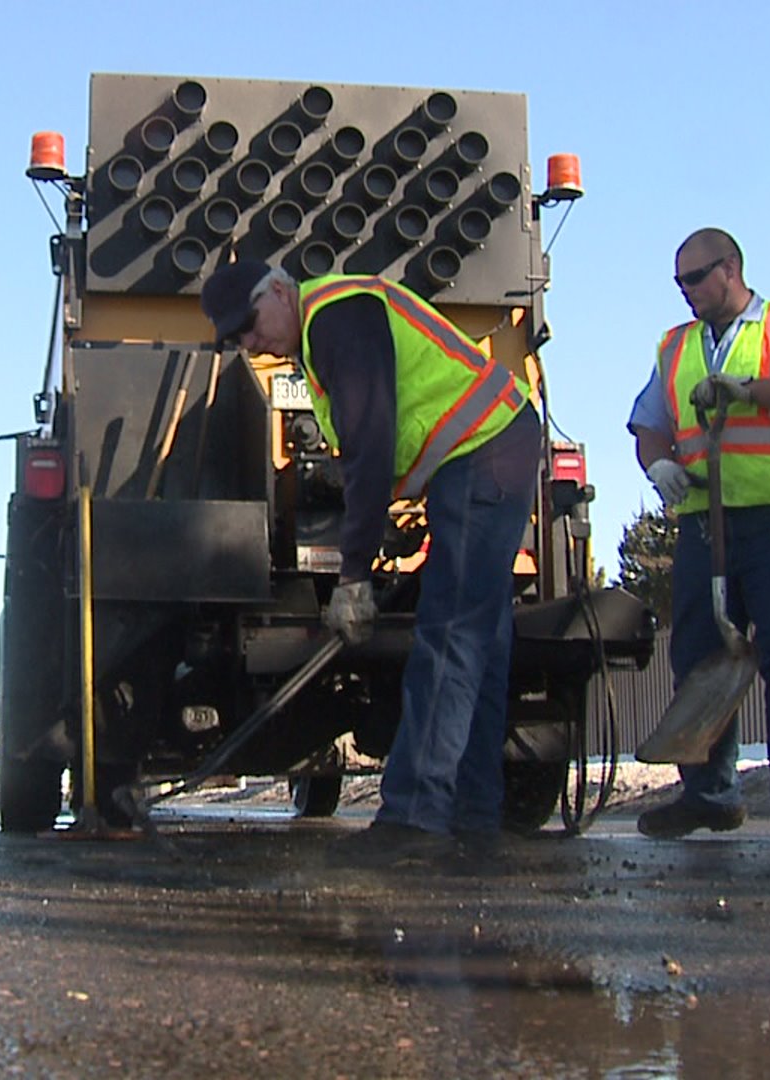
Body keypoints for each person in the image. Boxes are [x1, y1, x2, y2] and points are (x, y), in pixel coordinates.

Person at [200, 261, 542, 868]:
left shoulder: (336, 317)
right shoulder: (321, 333)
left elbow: (371, 443)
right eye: (237, 339)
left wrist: (353, 574)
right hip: (492, 448)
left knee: (450, 637)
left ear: (279, 291)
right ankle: (473, 813)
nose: (250, 343)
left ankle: (416, 815)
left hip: (482, 450)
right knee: (480, 643)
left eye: (249, 324)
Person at [627, 228, 770, 847]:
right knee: (699, 657)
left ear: (730, 268)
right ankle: (709, 795)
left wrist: (748, 392)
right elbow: (649, 422)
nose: (687, 293)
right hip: (709, 522)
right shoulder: (675, 347)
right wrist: (659, 465)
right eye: (679, 283)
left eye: (695, 279)